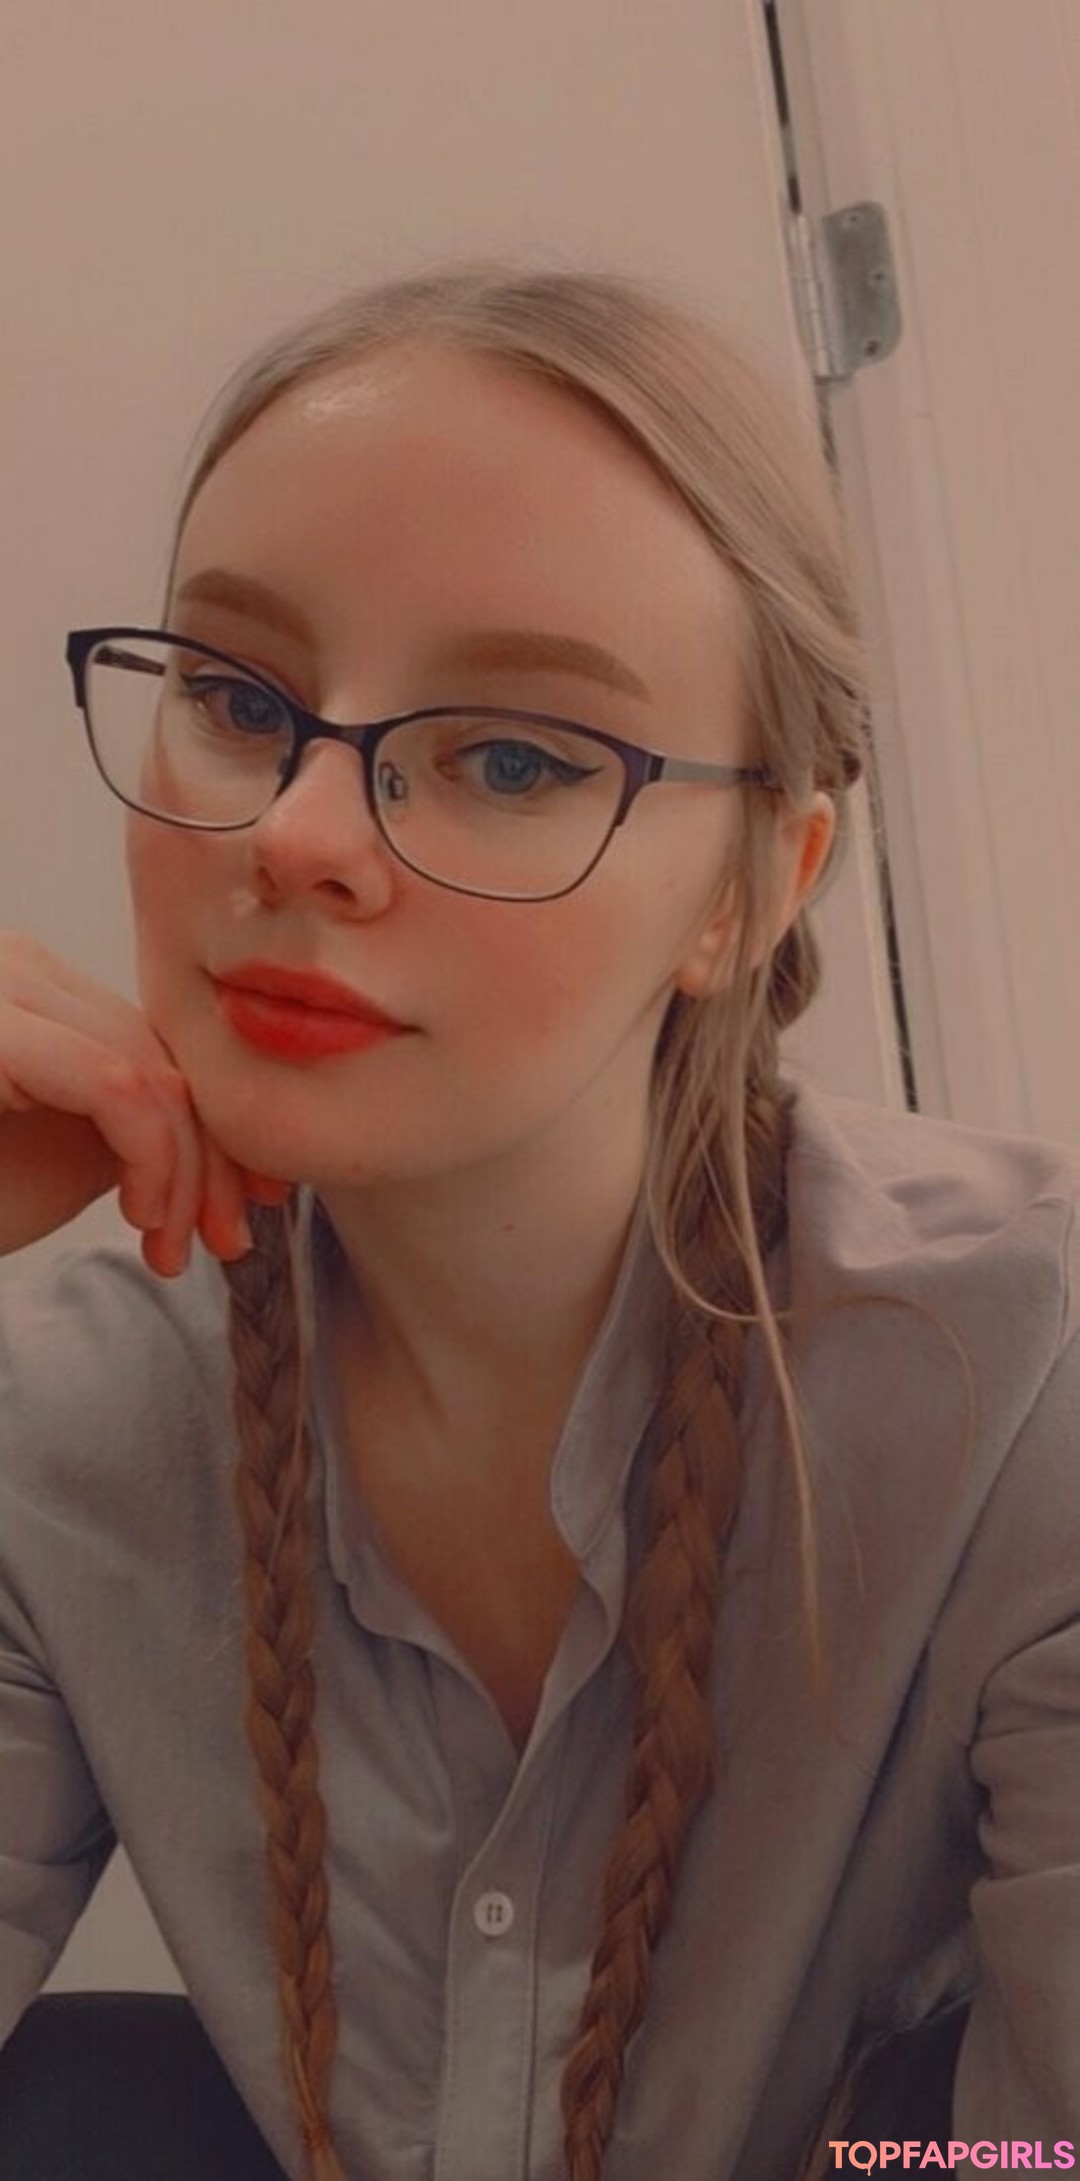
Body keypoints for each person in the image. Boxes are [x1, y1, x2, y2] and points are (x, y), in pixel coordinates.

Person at [0, 258, 1077, 2181]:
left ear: (753, 885)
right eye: (239, 698)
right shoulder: (63, 1422)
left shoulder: (1025, 1389)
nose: (296, 833)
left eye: (512, 756)